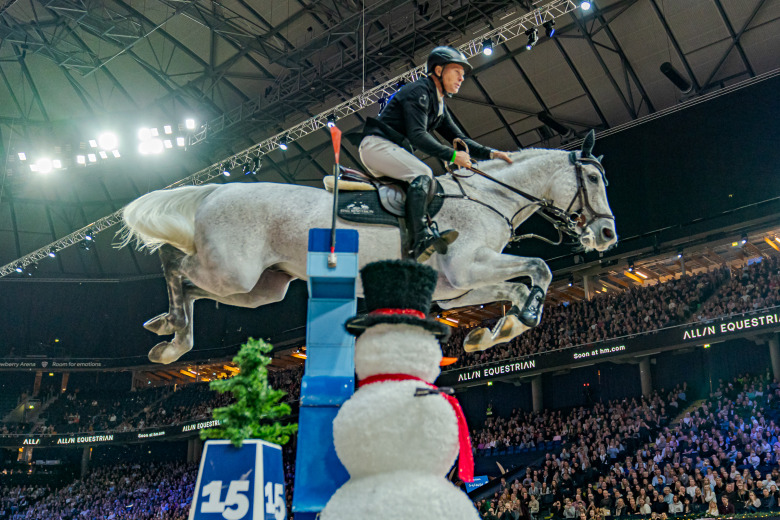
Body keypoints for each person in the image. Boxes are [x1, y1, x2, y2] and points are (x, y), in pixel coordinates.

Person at [359, 46, 513, 261]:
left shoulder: (438, 102)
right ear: (439, 70)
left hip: (388, 149)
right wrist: (452, 156)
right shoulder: (419, 92)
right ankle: (419, 240)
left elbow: (460, 140)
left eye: (463, 75)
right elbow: (417, 135)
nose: (461, 78)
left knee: (420, 179)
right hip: (377, 146)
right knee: (422, 173)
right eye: (457, 72)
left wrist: (492, 154)